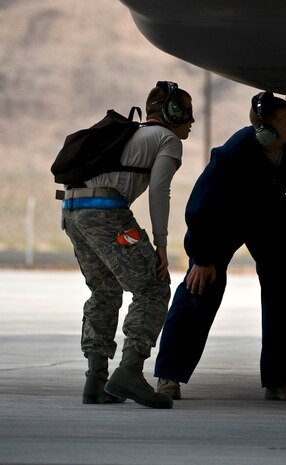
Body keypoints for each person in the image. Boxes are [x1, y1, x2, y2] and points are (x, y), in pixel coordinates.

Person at [154, 91, 286, 401]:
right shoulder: (234, 154)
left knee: (282, 293)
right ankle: (169, 376)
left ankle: (280, 380)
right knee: (201, 287)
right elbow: (200, 206)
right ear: (266, 132)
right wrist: (201, 257)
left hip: (271, 215)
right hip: (224, 220)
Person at [61, 81, 195, 409]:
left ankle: (96, 381)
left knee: (104, 291)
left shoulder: (132, 135)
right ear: (171, 112)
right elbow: (158, 192)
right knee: (153, 287)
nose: (192, 120)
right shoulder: (166, 139)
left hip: (72, 211)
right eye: (187, 111)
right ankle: (130, 372)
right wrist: (161, 247)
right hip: (106, 214)